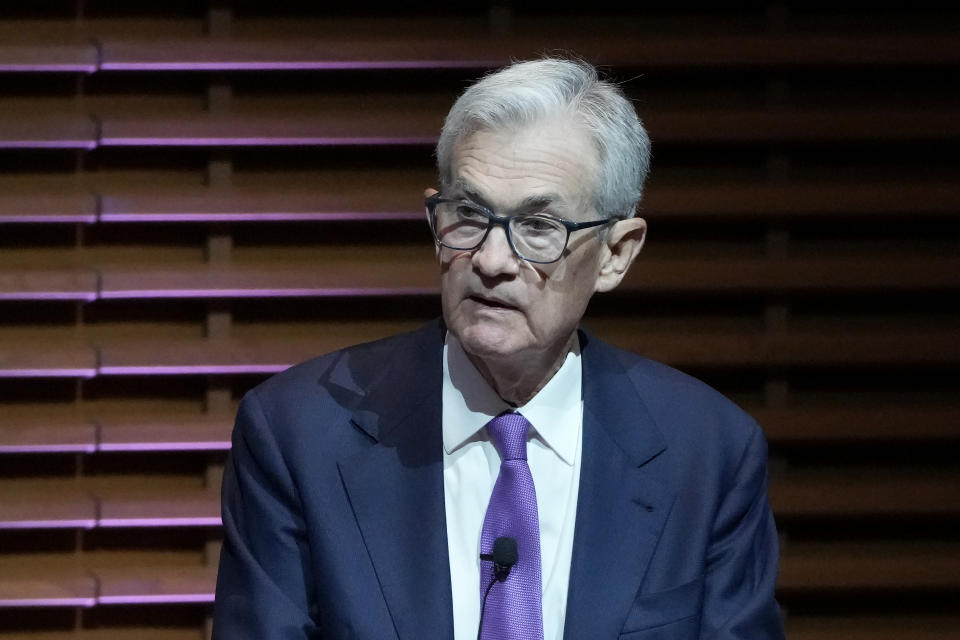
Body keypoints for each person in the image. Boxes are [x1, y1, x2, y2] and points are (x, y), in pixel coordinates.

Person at [213, 57, 784, 640]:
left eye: (539, 226)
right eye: (469, 215)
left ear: (617, 253)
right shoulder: (297, 434)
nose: (490, 260)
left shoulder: (708, 454)